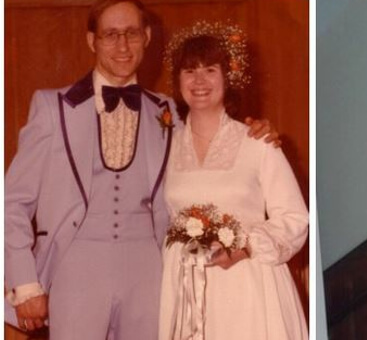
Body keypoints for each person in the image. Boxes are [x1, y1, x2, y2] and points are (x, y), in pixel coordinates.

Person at [4, 1, 278, 338]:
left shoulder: (168, 112)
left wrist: (257, 130)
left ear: (147, 37)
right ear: (92, 40)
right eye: (110, 35)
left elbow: (213, 149)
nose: (122, 46)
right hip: (74, 274)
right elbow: (12, 201)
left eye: (132, 34)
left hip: (151, 274)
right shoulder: (52, 107)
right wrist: (25, 283)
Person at [158, 21, 308, 340]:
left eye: (210, 69)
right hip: (185, 289)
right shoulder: (164, 146)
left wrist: (244, 246)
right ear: (177, 81)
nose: (199, 80)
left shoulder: (258, 142)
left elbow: (295, 219)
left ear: (229, 77)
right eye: (189, 71)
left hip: (249, 287)